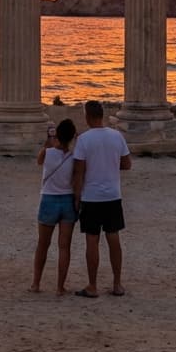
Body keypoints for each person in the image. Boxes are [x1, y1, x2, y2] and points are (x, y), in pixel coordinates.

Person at [71, 100, 131, 298]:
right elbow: (126, 164)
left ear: (87, 117)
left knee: (92, 240)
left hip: (92, 196)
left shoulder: (84, 140)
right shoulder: (117, 136)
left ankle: (93, 285)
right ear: (102, 115)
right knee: (114, 238)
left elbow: (79, 172)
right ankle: (117, 283)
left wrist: (77, 198)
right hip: (113, 195)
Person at [30, 119, 78, 296]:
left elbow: (39, 160)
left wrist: (49, 139)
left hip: (49, 199)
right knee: (64, 247)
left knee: (43, 244)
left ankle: (36, 283)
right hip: (67, 201)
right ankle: (59, 287)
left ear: (57, 134)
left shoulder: (48, 153)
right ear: (73, 136)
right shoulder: (74, 158)